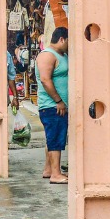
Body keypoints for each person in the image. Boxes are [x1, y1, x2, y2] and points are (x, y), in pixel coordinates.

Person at [37, 27, 71, 184]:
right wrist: (58, 101)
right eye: (68, 41)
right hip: (52, 106)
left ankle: (49, 169)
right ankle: (56, 174)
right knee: (56, 139)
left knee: (52, 138)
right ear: (62, 39)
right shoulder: (48, 55)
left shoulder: (61, 55)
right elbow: (45, 79)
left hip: (57, 106)